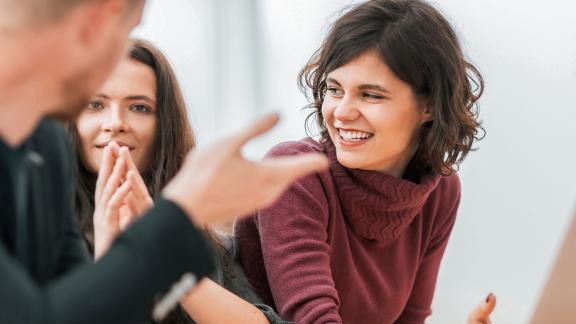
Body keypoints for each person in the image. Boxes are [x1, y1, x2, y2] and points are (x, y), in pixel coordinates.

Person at [0, 0, 327, 323]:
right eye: (126, 30)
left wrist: (143, 240)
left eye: (139, 107)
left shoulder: (44, 145)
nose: (115, 123)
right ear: (101, 19)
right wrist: (181, 211)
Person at [235, 0, 490, 323]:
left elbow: (409, 319)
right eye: (335, 89)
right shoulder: (295, 175)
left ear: (430, 106)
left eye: (371, 95)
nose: (341, 112)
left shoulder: (440, 191)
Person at [68, 38, 291, 324]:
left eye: (139, 108)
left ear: (164, 128)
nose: (115, 122)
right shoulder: (29, 236)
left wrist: (161, 251)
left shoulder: (209, 246)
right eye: (95, 104)